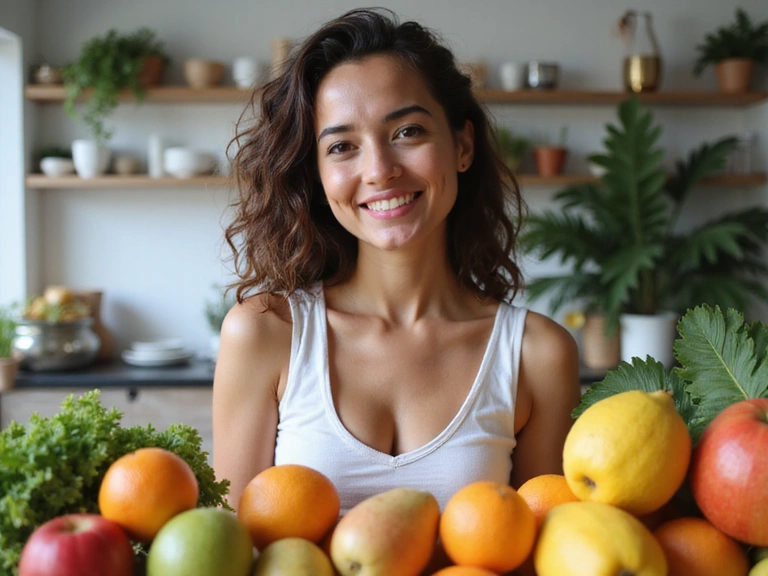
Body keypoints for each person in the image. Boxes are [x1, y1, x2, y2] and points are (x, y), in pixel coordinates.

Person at [213, 8, 580, 513]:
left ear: (463, 145)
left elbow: (546, 553)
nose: (380, 170)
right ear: (317, 174)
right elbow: (227, 548)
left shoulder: (537, 355)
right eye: (342, 146)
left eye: (407, 132)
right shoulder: (264, 334)